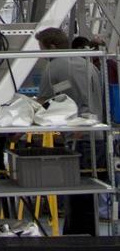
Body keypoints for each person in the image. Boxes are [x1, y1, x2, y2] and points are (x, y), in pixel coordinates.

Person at [36, 27, 104, 236]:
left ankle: (75, 239)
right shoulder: (87, 64)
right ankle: (86, 239)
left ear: (52, 47)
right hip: (98, 138)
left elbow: (42, 103)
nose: (41, 55)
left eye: (42, 49)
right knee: (89, 198)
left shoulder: (54, 66)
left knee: (75, 196)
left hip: (78, 139)